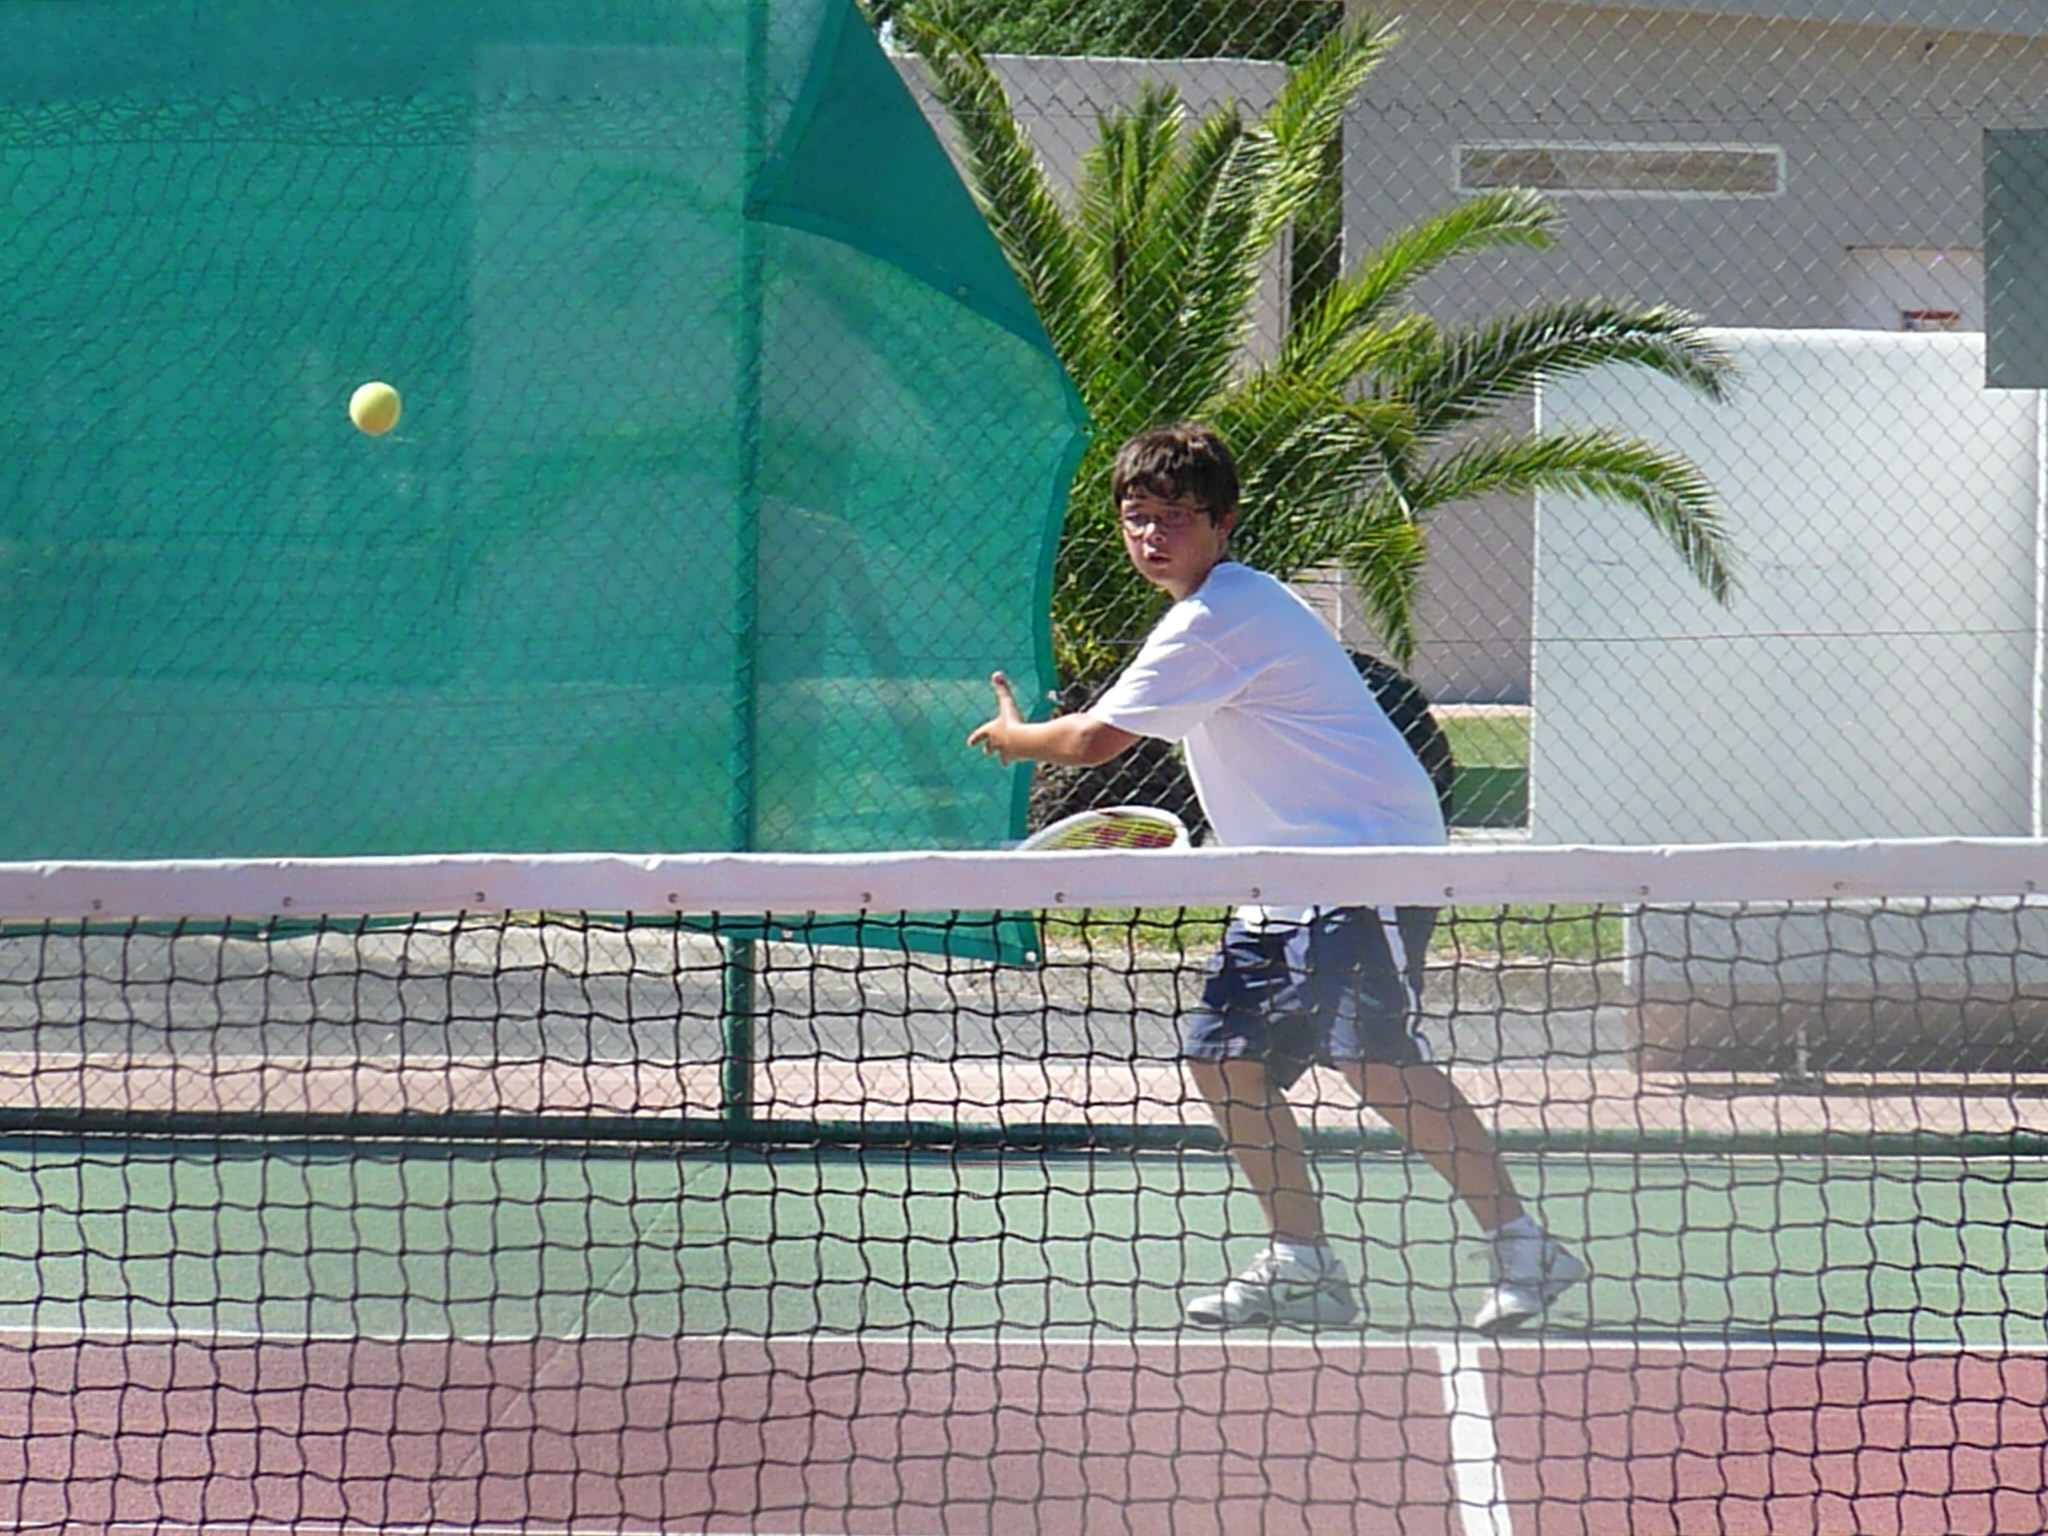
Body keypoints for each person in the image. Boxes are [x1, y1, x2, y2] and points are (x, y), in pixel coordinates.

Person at [967, 422, 1585, 1333]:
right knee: (1225, 1062)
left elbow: (1094, 742)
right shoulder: (1207, 614)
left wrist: (1014, 736)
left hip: (1364, 862)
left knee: (1374, 1061)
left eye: (1175, 516)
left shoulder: (1224, 616)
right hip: (1280, 882)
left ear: (1223, 523)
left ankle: (1523, 1245)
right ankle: (1302, 1263)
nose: (1151, 535)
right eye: (1136, 517)